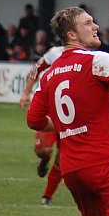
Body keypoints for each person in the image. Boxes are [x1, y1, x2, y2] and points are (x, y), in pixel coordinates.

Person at [26, 6, 109, 216]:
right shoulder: (98, 60)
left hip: (72, 170)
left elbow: (34, 120)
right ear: (72, 34)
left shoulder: (48, 75)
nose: (96, 26)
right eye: (88, 23)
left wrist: (67, 126)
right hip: (104, 162)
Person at [19, 45, 66, 206]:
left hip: (69, 112)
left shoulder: (87, 55)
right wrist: (26, 92)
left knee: (62, 158)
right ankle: (44, 160)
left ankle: (47, 196)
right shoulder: (55, 53)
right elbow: (35, 69)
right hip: (48, 109)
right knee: (44, 150)